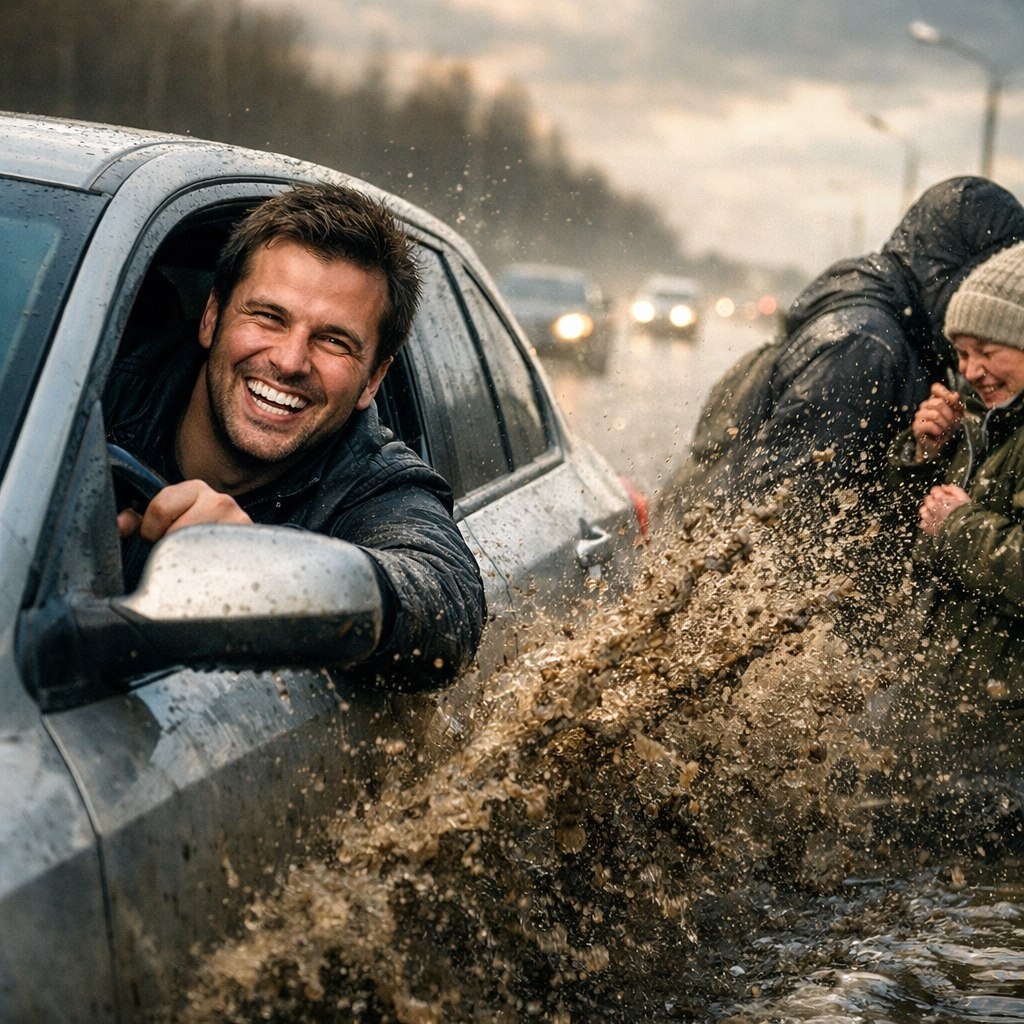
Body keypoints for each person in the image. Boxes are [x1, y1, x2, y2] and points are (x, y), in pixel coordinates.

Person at [103, 182, 486, 688]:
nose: (288, 361)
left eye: (332, 340)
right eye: (268, 317)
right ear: (212, 316)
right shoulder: (87, 393)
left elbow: (444, 605)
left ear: (372, 379)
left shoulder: (375, 486)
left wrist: (266, 565)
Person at [666, 177, 1024, 570]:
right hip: (730, 582)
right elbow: (779, 513)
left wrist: (925, 455)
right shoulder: (865, 345)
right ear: (957, 273)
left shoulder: (890, 330)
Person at [878, 242, 1024, 849]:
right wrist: (922, 457)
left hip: (1007, 745)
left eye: (988, 352)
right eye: (963, 354)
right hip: (951, 714)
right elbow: (908, 537)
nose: (972, 370)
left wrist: (958, 527)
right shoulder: (986, 425)